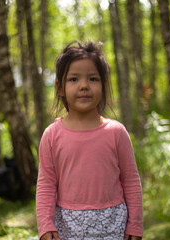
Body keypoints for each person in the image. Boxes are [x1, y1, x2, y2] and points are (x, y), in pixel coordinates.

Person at [36, 41, 143, 240]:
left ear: (103, 85)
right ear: (60, 88)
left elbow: (131, 180)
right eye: (74, 79)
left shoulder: (116, 132)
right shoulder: (52, 135)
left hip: (113, 224)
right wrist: (45, 225)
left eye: (92, 79)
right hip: (67, 226)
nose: (84, 86)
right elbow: (46, 184)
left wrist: (135, 225)